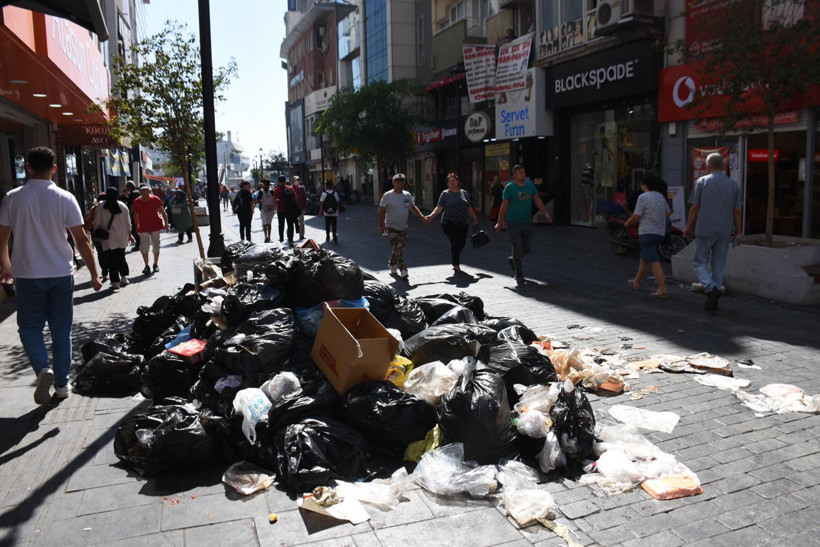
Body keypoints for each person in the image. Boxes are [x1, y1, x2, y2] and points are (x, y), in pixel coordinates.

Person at [0, 146, 102, 404]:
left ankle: (43, 368)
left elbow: (2, 238)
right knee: (61, 330)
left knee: (30, 328)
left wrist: (6, 266)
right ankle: (61, 384)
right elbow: (81, 240)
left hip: (27, 275)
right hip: (60, 272)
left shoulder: (12, 197)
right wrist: (94, 273)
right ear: (55, 169)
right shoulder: (65, 197)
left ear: (28, 168)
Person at [684, 153, 743, 311]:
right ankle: (714, 298)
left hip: (705, 229)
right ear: (723, 166)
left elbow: (694, 207)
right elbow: (737, 211)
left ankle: (711, 288)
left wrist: (688, 227)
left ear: (708, 166)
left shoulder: (702, 182)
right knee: (718, 265)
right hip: (724, 230)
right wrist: (739, 231)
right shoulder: (733, 185)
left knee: (699, 262)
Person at [494, 164, 552, 286]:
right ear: (514, 175)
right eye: (520, 173)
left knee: (527, 248)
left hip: (526, 222)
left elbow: (537, 199)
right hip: (512, 222)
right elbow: (504, 206)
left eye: (524, 172)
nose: (523, 174)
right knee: (517, 246)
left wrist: (546, 213)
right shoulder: (509, 188)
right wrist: (499, 222)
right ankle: (519, 274)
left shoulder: (530, 185)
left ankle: (514, 260)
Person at [624, 173, 670, 298]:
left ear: (644, 184)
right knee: (645, 258)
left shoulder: (643, 197)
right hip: (659, 232)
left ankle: (662, 289)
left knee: (653, 261)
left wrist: (628, 223)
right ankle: (636, 282)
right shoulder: (660, 196)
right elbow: (668, 212)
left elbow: (637, 215)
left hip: (647, 232)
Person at [425, 173, 478, 273]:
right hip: (448, 223)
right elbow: (439, 207)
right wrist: (431, 216)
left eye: (454, 181)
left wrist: (474, 218)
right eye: (450, 181)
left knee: (461, 243)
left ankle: (455, 256)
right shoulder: (445, 194)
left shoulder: (464, 193)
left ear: (458, 182)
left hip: (463, 223)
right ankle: (456, 264)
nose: (452, 183)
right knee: (455, 242)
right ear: (448, 184)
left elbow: (468, 207)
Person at [378, 173, 428, 279]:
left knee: (398, 248)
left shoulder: (407, 195)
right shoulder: (387, 195)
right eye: (397, 181)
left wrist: (422, 216)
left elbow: (413, 207)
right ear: (393, 182)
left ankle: (392, 264)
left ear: (404, 183)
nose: (400, 183)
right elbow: (381, 211)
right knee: (398, 248)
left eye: (401, 181)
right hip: (391, 227)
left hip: (403, 227)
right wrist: (381, 226)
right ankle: (403, 269)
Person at [93, 187, 133, 289]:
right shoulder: (123, 206)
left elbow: (96, 223)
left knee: (110, 260)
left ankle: (115, 282)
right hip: (121, 237)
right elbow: (128, 223)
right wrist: (130, 235)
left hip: (107, 238)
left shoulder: (100, 206)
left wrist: (95, 233)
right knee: (121, 257)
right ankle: (124, 277)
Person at [132, 184, 168, 275]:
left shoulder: (155, 199)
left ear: (149, 191)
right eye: (142, 191)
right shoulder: (137, 201)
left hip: (155, 225)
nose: (144, 193)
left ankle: (155, 264)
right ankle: (146, 265)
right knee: (144, 247)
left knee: (156, 244)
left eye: (146, 191)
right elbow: (135, 216)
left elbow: (163, 212)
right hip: (143, 227)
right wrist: (137, 227)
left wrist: (166, 223)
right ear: (140, 192)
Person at [84, 193, 109, 282]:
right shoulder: (110, 207)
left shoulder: (95, 208)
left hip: (97, 233)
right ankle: (108, 270)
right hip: (108, 233)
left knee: (101, 253)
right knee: (107, 252)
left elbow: (86, 218)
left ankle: (104, 273)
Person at [271, 176, 294, 244]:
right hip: (289, 209)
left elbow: (275, 200)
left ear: (279, 181)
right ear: (285, 181)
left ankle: (281, 239)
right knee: (290, 225)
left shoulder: (277, 189)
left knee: (281, 225)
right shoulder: (290, 188)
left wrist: (278, 200)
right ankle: (291, 240)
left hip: (281, 210)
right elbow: (295, 198)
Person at [121, 180, 140, 251]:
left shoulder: (133, 194)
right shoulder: (137, 192)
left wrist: (129, 214)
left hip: (134, 214)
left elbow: (132, 205)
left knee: (134, 230)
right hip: (139, 213)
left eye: (127, 187)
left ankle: (138, 244)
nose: (126, 188)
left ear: (130, 187)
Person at [292, 175, 308, 240]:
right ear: (293, 181)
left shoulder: (301, 188)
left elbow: (304, 198)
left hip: (300, 207)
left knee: (301, 222)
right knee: (291, 223)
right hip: (293, 208)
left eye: (298, 180)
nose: (297, 181)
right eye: (296, 180)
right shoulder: (290, 188)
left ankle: (301, 235)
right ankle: (290, 236)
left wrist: (305, 208)